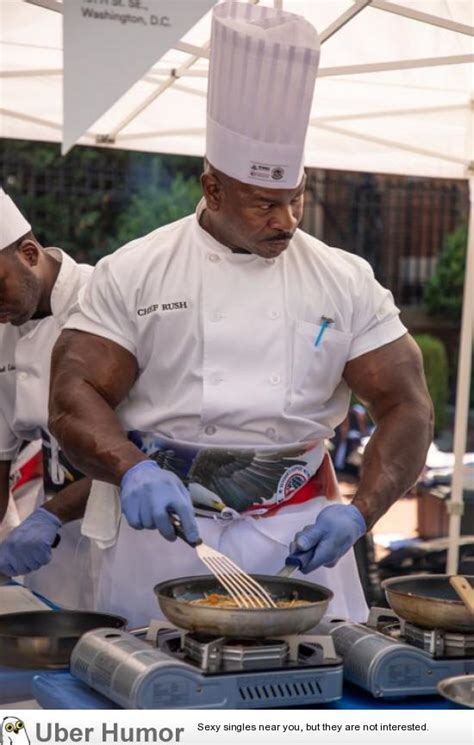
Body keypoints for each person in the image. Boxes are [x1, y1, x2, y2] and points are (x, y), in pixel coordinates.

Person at [48, 2, 433, 626]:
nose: (286, 221)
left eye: (296, 199)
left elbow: (408, 406)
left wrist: (361, 513)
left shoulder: (344, 278)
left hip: (302, 538)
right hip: (165, 537)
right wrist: (132, 469)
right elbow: (73, 396)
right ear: (213, 190)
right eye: (263, 204)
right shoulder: (136, 269)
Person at [0, 188, 95, 608]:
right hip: (54, 541)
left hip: (128, 532)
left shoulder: (102, 300)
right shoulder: (3, 328)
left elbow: (139, 450)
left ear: (29, 253)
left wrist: (49, 516)